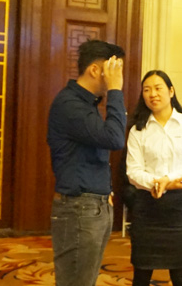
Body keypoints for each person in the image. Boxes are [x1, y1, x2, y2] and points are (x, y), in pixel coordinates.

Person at [47, 40, 126, 286]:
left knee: (84, 280)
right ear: (95, 70)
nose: (118, 77)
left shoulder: (86, 104)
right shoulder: (70, 104)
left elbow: (96, 150)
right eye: (114, 69)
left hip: (92, 206)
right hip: (79, 208)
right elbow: (115, 139)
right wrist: (115, 91)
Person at [126, 70, 182, 286]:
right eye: (147, 90)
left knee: (180, 276)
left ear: (171, 91)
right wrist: (157, 183)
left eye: (158, 88)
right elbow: (133, 171)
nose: (152, 94)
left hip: (177, 208)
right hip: (146, 206)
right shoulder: (138, 129)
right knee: (141, 274)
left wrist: (167, 181)